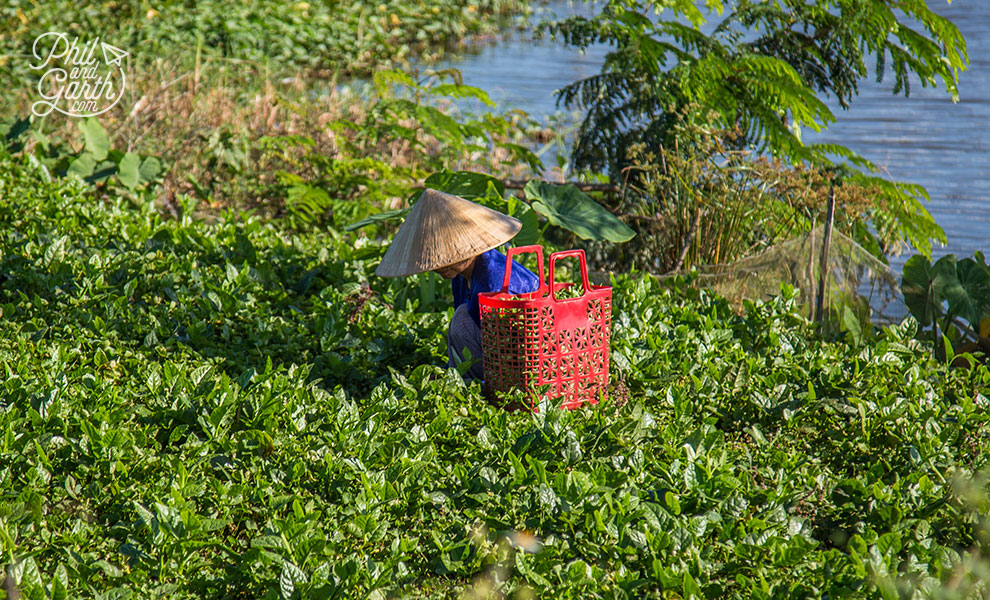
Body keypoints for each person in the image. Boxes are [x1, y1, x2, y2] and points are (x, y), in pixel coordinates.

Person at [375, 188, 540, 380]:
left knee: (460, 319)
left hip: (521, 364)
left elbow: (510, 344)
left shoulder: (494, 280)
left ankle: (475, 384)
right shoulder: (461, 277)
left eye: (447, 258)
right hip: (496, 353)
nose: (440, 267)